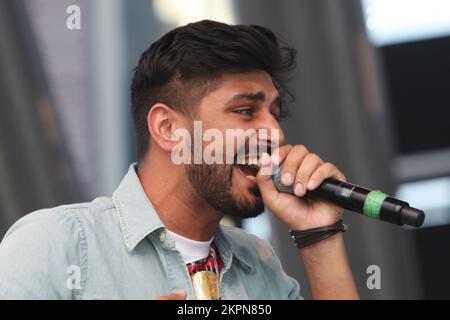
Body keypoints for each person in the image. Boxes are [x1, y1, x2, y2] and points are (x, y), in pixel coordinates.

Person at [0, 20, 358, 300]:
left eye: (274, 114)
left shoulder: (259, 264)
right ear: (168, 127)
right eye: (246, 111)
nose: (275, 135)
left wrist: (318, 235)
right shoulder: (56, 242)